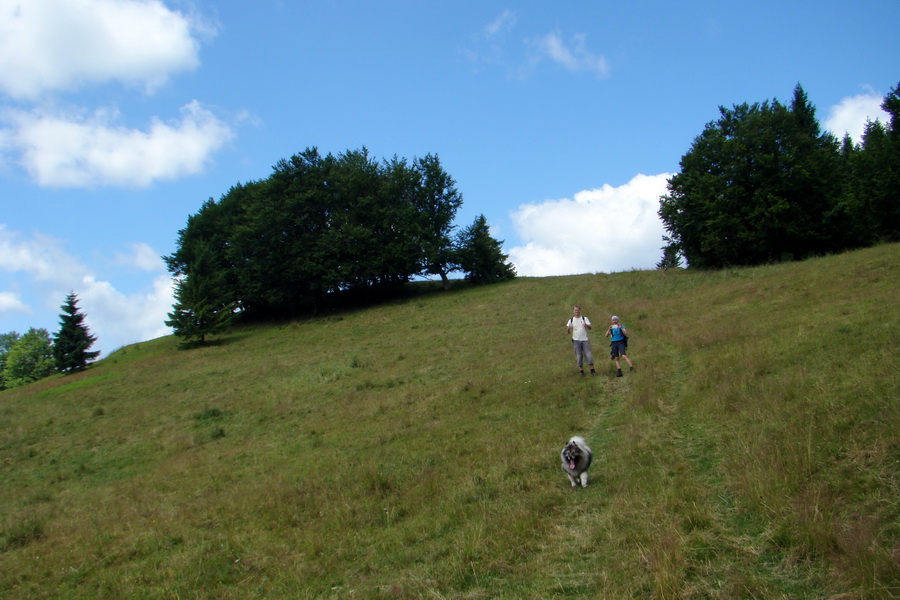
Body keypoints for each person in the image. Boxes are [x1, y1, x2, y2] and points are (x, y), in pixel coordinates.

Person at [566, 305, 596, 376]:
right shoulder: (571, 320)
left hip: (585, 339)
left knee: (588, 355)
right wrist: (568, 328)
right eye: (575, 310)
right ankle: (581, 371)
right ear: (573, 311)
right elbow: (568, 331)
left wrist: (586, 325)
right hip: (576, 340)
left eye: (578, 310)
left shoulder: (584, 318)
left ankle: (592, 370)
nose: (576, 311)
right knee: (579, 356)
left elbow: (590, 327)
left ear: (580, 311)